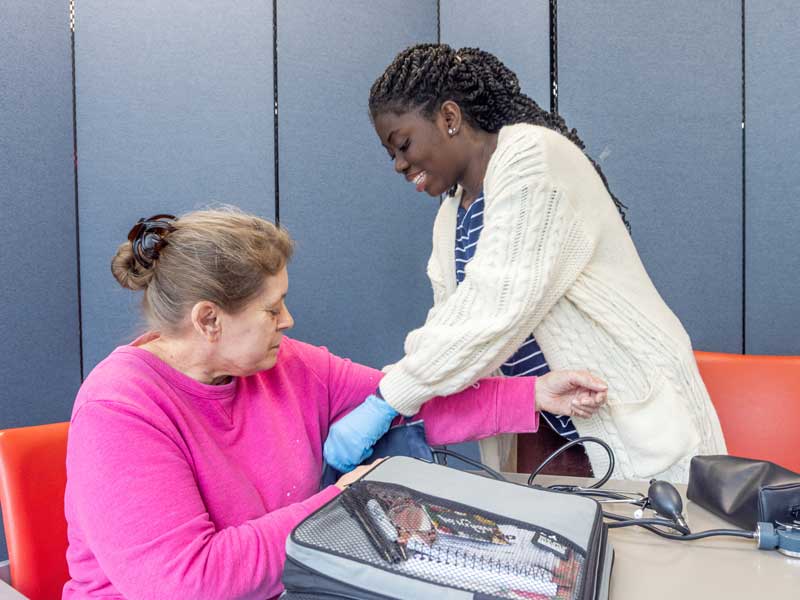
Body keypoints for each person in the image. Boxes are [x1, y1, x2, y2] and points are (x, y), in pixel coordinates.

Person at [62, 208, 607, 600]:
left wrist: (532, 394)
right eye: (272, 310)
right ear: (209, 320)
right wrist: (342, 503)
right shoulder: (120, 410)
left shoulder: (284, 364)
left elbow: (403, 401)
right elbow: (186, 584)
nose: (288, 321)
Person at [323, 43, 726, 483]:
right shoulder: (450, 214)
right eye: (391, 155)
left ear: (450, 118)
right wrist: (392, 394)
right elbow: (451, 329)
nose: (400, 165)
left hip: (623, 419)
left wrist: (387, 398)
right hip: (546, 425)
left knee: (651, 546)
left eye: (403, 144)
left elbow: (494, 308)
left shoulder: (531, 158)